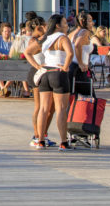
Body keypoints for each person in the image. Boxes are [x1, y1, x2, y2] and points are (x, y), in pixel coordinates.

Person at [34, 14, 74, 150]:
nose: (67, 25)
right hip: (58, 72)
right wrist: (66, 66)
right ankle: (63, 142)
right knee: (61, 109)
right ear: (58, 25)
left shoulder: (45, 39)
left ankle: (40, 140)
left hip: (45, 73)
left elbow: (28, 52)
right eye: (64, 23)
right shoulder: (62, 38)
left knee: (43, 109)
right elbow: (70, 54)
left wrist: (38, 66)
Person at [24, 17, 57, 147]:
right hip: (37, 73)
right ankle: (37, 135)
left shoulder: (47, 38)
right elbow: (28, 53)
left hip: (47, 72)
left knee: (51, 107)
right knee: (39, 106)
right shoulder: (35, 40)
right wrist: (38, 66)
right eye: (43, 26)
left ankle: (43, 133)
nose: (46, 28)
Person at [68, 12, 94, 96]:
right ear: (83, 22)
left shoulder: (72, 33)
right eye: (90, 20)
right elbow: (77, 45)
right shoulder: (85, 32)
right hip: (79, 69)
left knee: (73, 98)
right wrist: (81, 63)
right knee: (91, 98)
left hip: (71, 67)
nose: (92, 23)